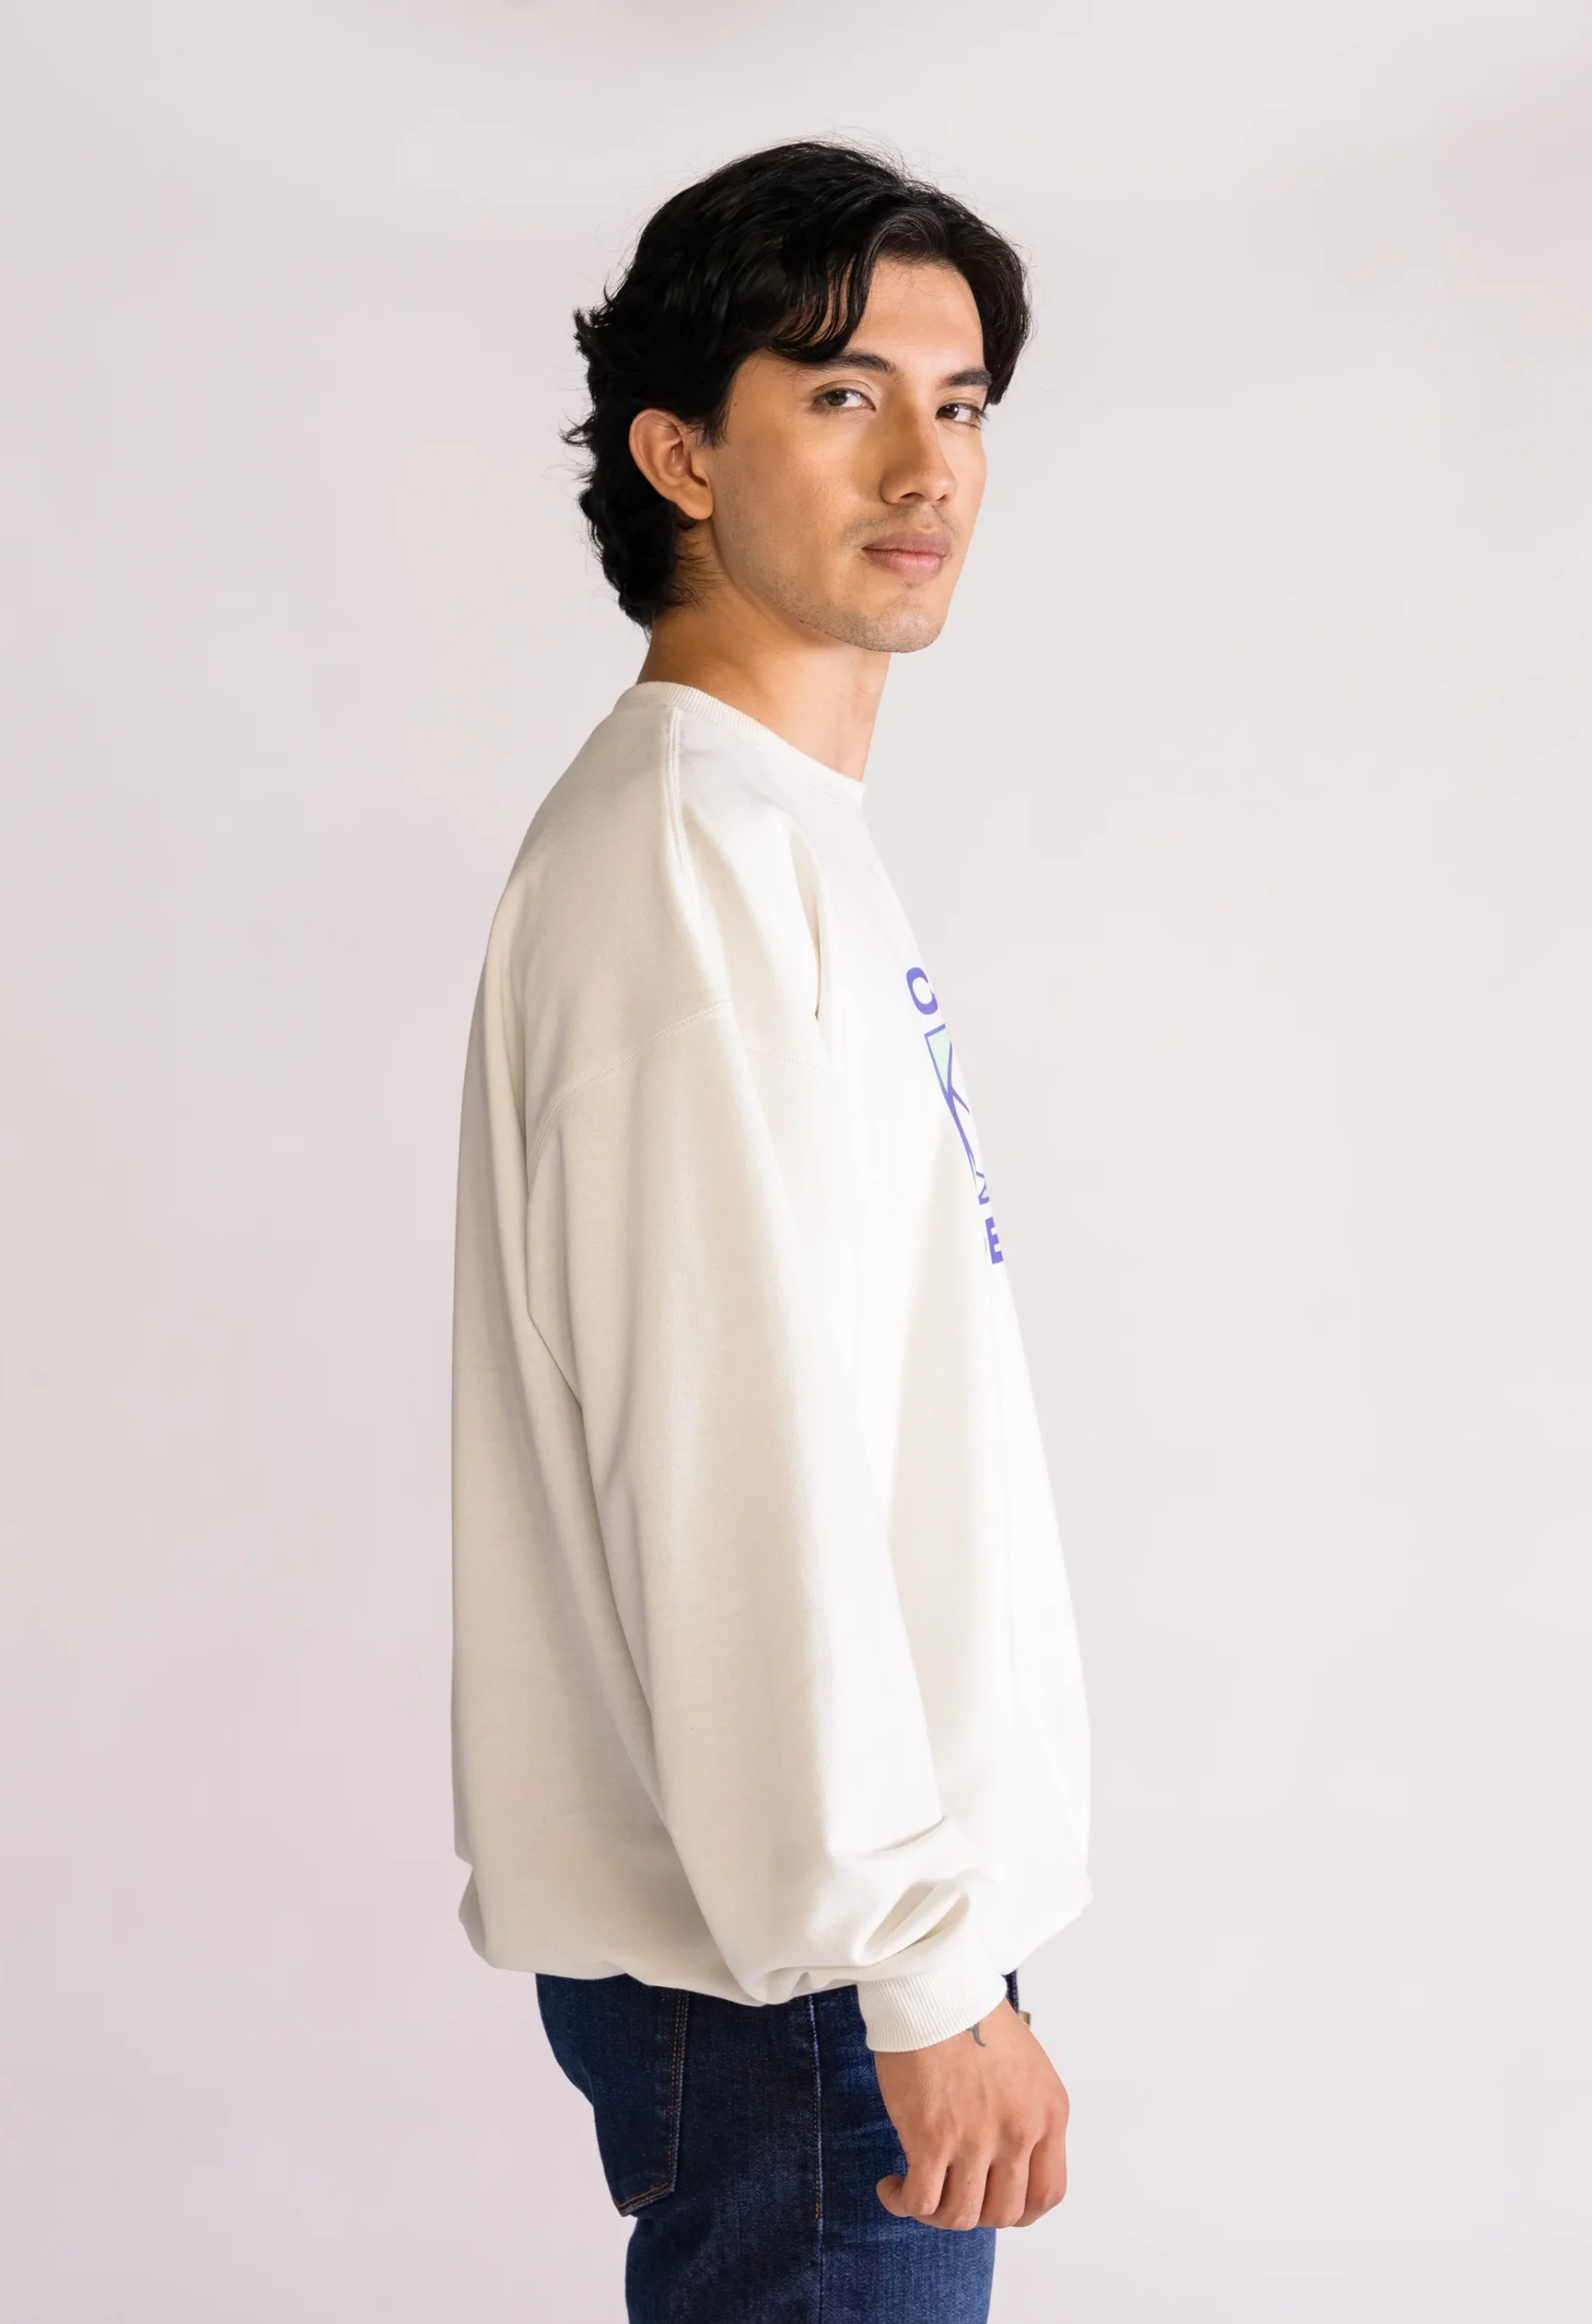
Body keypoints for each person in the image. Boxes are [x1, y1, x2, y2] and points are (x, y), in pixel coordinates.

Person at [450, 140, 1092, 2323]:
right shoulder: (680, 862)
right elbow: (731, 1463)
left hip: (831, 1948)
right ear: (679, 454)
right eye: (839, 394)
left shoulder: (767, 833)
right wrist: (910, 1962)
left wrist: (929, 1935)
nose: (926, 464)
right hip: (800, 1981)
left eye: (960, 400)